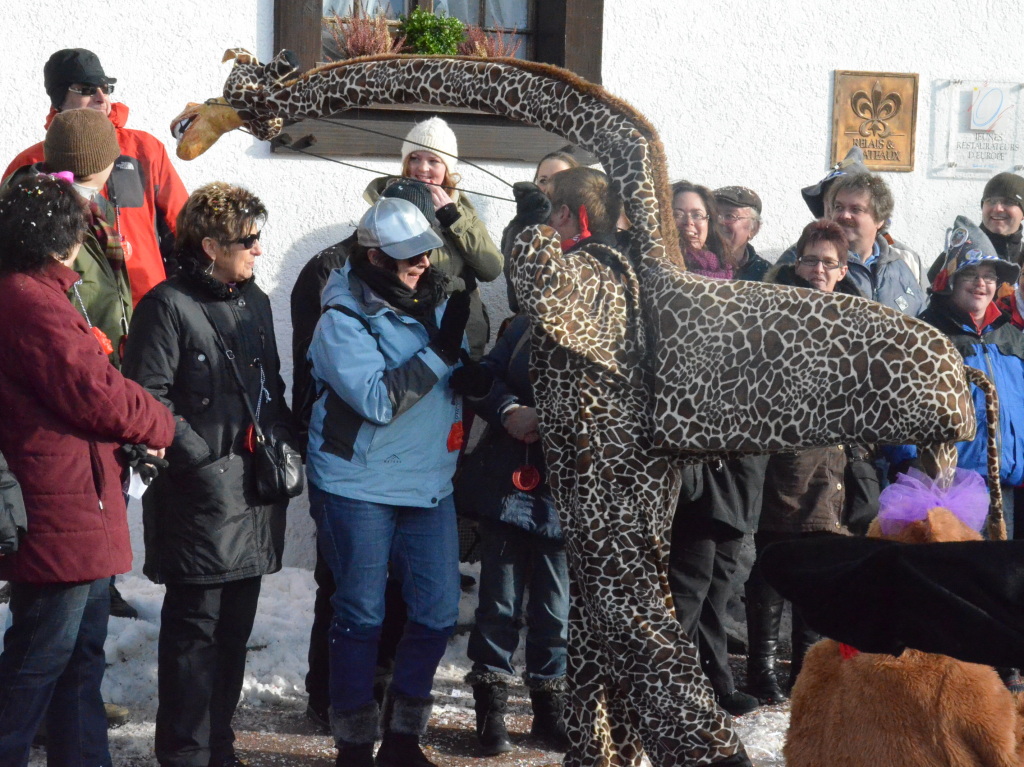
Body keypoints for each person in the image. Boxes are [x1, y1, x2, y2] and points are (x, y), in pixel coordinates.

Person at [515, 166, 751, 765]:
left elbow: (539, 286)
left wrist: (531, 228)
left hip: (610, 482)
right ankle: (598, 749)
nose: (549, 222)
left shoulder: (596, 271)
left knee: (640, 628)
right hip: (601, 479)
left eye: (554, 212)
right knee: (596, 629)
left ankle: (711, 751)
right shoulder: (621, 272)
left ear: (570, 215)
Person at [0, 174, 174, 767]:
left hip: (77, 501)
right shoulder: (30, 301)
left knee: (78, 659)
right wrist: (163, 422)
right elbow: (95, 393)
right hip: (59, 507)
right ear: (61, 240)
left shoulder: (35, 293)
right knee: (37, 663)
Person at [121, 182, 293, 767]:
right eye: (248, 240)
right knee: (194, 635)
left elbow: (271, 389)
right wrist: (200, 457)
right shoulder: (166, 306)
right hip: (197, 499)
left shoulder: (257, 302)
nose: (258, 251)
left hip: (253, 495)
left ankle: (221, 747)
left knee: (233, 632)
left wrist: (285, 443)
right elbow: (146, 397)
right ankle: (185, 754)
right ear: (211, 243)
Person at [306, 197, 470, 767]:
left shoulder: (434, 302)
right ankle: (353, 745)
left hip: (429, 484)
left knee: (436, 613)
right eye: (408, 256)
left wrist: (477, 376)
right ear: (373, 256)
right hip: (358, 485)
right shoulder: (341, 318)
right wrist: (443, 352)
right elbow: (376, 399)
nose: (422, 262)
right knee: (360, 614)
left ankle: (402, 740)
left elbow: (446, 378)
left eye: (426, 251)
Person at [289, 180, 435, 731]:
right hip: (349, 454)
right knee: (346, 589)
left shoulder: (430, 282)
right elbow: (347, 375)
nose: (422, 258)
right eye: (412, 247)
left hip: (414, 462)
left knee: (400, 593)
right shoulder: (331, 275)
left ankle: (379, 689)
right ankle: (328, 695)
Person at [742, 220, 878, 703]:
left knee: (820, 571)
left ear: (843, 270)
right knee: (774, 563)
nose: (818, 269)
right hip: (786, 457)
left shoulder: (859, 317)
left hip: (839, 460)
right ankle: (761, 669)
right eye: (810, 259)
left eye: (828, 262)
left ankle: (806, 669)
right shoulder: (777, 309)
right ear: (797, 263)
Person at [454, 311, 570, 755]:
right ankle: (492, 712)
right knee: (498, 605)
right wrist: (509, 411)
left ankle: (549, 711)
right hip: (511, 483)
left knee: (554, 612)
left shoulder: (608, 325)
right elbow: (487, 376)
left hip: (567, 489)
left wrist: (554, 416)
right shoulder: (524, 327)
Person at [3, 48, 188, 306]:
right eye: (87, 89)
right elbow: (15, 255)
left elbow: (183, 230)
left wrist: (183, 300)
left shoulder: (145, 149)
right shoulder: (31, 164)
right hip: (78, 314)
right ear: (59, 98)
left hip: (150, 310)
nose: (102, 98)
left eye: (106, 87)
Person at [891, 217, 1024, 536]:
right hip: (947, 489)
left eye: (989, 276)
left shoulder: (1013, 337)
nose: (982, 284)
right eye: (971, 274)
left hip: (1005, 489)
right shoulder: (926, 335)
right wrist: (917, 468)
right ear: (949, 279)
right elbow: (901, 409)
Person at [364, 116, 502, 358]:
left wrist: (454, 220)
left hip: (462, 333)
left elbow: (491, 269)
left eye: (433, 160)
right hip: (406, 331)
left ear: (447, 168)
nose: (423, 168)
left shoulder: (462, 209)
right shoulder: (386, 209)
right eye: (414, 158)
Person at [784, 151, 926, 313]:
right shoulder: (802, 257)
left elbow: (924, 323)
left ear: (880, 220)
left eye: (856, 209)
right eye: (838, 207)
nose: (844, 215)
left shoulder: (905, 263)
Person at [499, 148, 579, 310]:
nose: (549, 188)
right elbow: (516, 298)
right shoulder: (519, 227)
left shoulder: (587, 228)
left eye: (559, 180)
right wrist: (531, 227)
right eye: (543, 180)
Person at [927, 171, 1024, 284]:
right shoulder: (959, 253)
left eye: (1008, 202)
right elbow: (929, 297)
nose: (998, 208)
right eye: (991, 201)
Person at [671, 180, 730, 278]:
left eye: (697, 215)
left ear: (709, 222)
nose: (689, 221)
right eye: (678, 215)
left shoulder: (726, 268)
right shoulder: (658, 266)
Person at [712, 185, 770, 281]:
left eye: (730, 216)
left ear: (753, 229)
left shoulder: (767, 276)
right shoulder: (688, 265)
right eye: (713, 215)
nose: (719, 221)